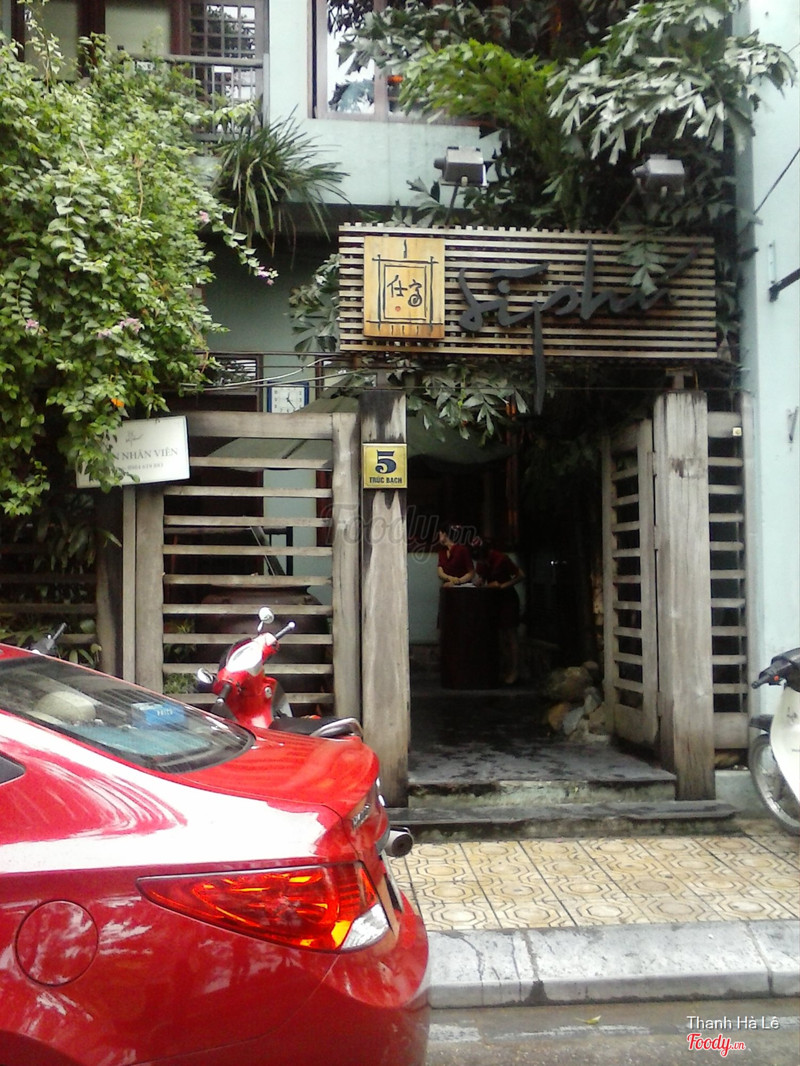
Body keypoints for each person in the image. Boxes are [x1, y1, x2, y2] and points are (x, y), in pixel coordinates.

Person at [471, 537, 524, 685]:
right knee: (499, 636)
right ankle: (504, 669)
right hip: (493, 600)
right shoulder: (481, 561)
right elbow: (482, 577)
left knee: (511, 634)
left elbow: (521, 575)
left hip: (507, 599)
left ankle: (515, 670)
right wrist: (479, 581)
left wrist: (503, 585)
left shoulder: (501, 558)